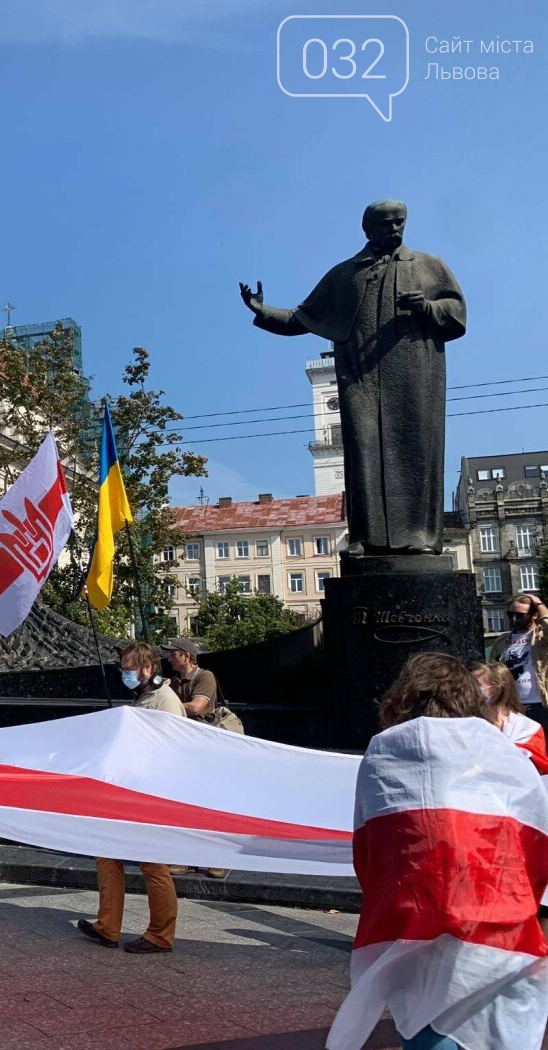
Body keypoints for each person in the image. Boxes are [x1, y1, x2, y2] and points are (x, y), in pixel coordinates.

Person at [327, 653, 548, 1050]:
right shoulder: (503, 753)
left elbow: (369, 846)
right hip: (497, 919)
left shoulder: (383, 751)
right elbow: (535, 840)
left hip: (411, 917)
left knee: (424, 1023)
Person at [241, 200, 466, 556]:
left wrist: (427, 307)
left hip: (414, 376)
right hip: (361, 378)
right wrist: (261, 310)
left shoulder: (428, 266)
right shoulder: (346, 275)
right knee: (362, 451)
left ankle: (420, 536)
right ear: (368, 230)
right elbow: (302, 317)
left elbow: (457, 315)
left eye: (400, 223)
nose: (395, 230)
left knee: (415, 450)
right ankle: (367, 537)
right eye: (387, 224)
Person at [77, 642, 183, 955]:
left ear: (148, 668)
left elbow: (170, 750)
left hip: (152, 794)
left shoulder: (165, 700)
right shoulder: (143, 698)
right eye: (123, 668)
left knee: (152, 865)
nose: (125, 674)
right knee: (106, 854)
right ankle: (107, 927)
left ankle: (160, 935)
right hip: (128, 792)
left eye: (129, 668)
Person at [162, 638, 227, 879]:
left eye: (172, 654)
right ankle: (185, 856)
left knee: (208, 804)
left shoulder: (204, 677)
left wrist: (167, 705)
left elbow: (197, 707)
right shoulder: (173, 682)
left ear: (186, 656)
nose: (168, 658)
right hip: (181, 748)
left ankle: (214, 858)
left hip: (203, 748)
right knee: (184, 804)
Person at [472, 660, 548, 773]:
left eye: (475, 685)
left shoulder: (529, 728)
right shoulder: (468, 725)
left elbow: (540, 769)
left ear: (496, 689)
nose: (468, 691)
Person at [491, 592, 548, 728]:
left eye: (521, 615)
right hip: (512, 706)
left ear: (535, 615)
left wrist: (540, 605)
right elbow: (492, 672)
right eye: (511, 615)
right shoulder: (502, 641)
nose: (515, 619)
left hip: (541, 705)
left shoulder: (542, 636)